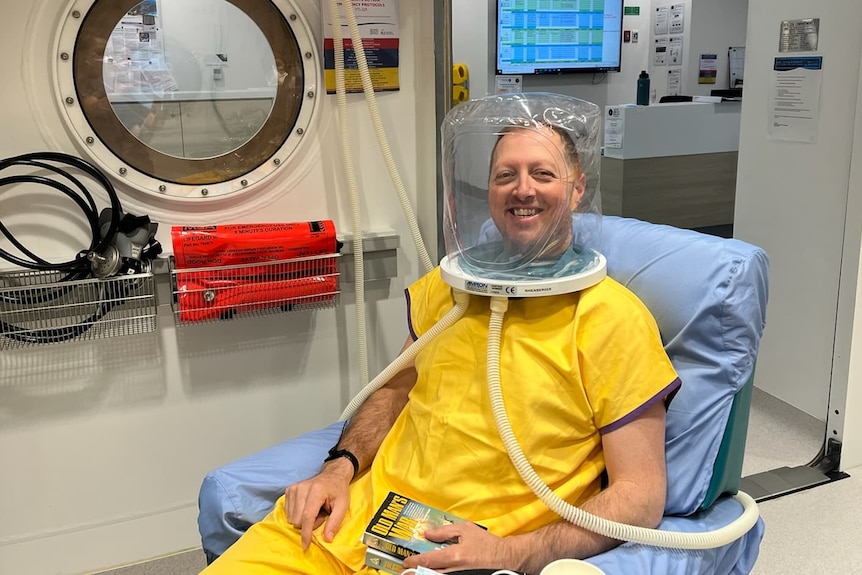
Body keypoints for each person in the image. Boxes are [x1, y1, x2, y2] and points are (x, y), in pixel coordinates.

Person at [201, 98, 680, 575]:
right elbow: (393, 389)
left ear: (577, 189)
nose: (523, 190)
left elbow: (639, 497)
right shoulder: (447, 289)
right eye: (505, 175)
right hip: (350, 525)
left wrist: (512, 553)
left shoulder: (611, 319)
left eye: (543, 173)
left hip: (465, 555)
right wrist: (338, 468)